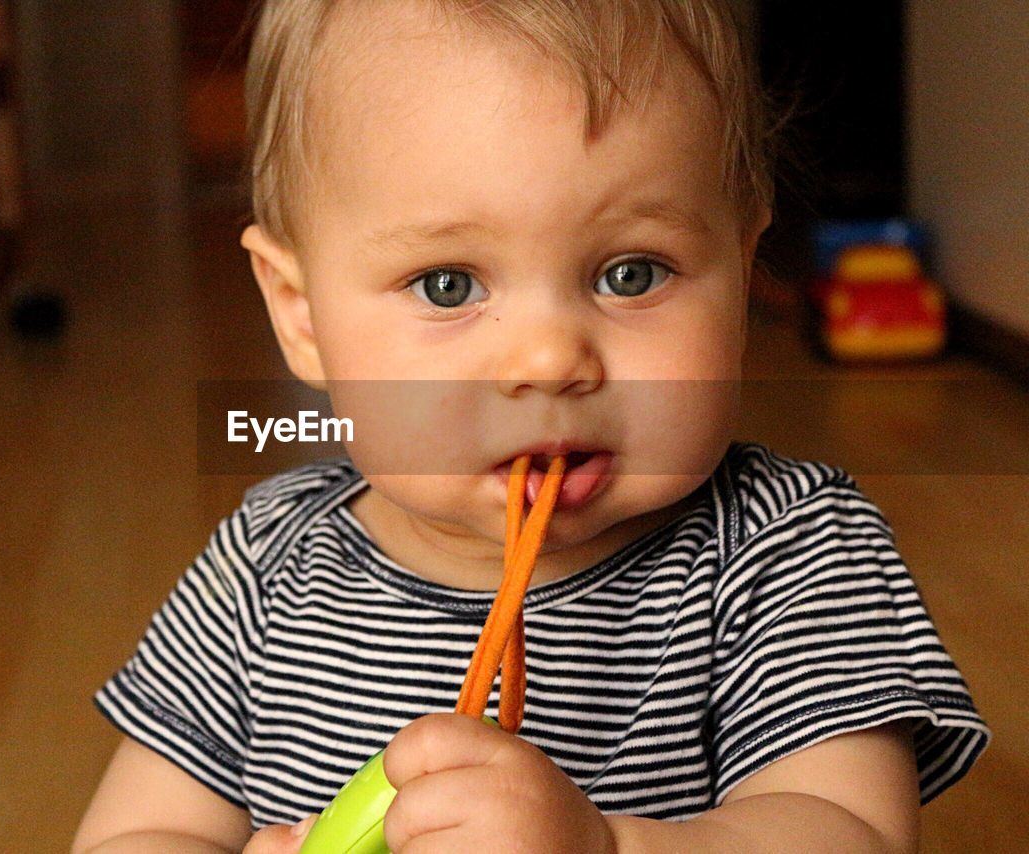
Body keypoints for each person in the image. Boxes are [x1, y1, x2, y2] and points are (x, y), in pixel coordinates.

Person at [73, 1, 989, 850]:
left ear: (742, 271)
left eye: (632, 273)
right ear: (301, 314)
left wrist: (612, 846)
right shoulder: (261, 566)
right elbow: (134, 831)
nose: (550, 360)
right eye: (448, 285)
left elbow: (846, 831)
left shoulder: (787, 547)